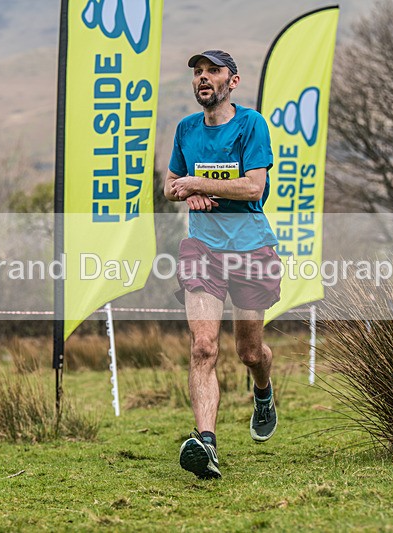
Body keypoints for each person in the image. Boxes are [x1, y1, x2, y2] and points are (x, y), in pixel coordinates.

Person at [164, 50, 281, 479]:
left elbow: (253, 187)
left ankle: (263, 392)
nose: (203, 78)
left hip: (251, 250)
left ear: (232, 81)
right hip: (203, 251)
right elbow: (169, 184)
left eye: (212, 71)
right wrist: (185, 192)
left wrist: (197, 182)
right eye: (198, 72)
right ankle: (206, 443)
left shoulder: (252, 125)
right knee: (203, 346)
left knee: (249, 352)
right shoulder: (185, 129)